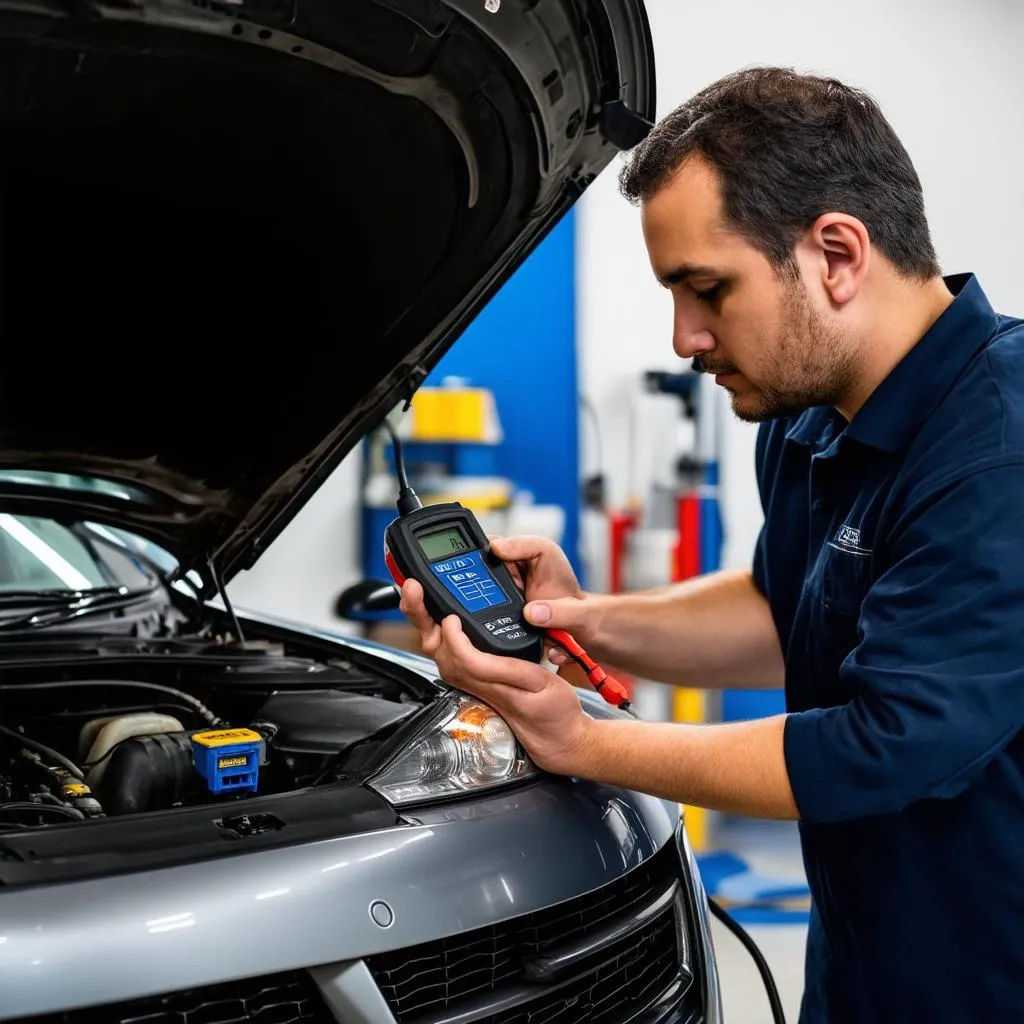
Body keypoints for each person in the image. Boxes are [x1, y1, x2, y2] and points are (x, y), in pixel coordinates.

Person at [398, 66, 1024, 1023]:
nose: (686, 337)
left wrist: (590, 741)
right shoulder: (812, 412)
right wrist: (576, 620)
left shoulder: (999, 445)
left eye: (706, 289)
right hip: (864, 967)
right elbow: (782, 610)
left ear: (838, 254)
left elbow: (885, 746)